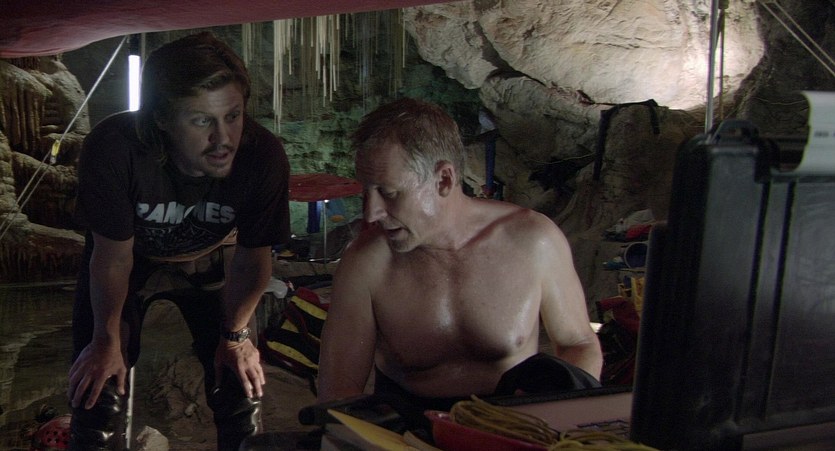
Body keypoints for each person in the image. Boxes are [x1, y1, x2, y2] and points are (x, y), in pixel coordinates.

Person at [68, 32, 291, 451]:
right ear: (161, 119)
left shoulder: (262, 156)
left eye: (233, 116)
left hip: (212, 257)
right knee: (96, 386)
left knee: (239, 383)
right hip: (131, 259)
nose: (223, 139)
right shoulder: (114, 148)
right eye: (202, 120)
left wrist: (237, 337)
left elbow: (252, 258)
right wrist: (105, 340)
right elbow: (112, 258)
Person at [317, 98, 603, 413]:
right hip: (407, 429)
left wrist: (561, 417)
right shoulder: (366, 263)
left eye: (389, 192)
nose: (372, 213)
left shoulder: (534, 240)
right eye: (366, 191)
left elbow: (579, 344)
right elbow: (338, 391)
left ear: (444, 180)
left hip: (513, 424)